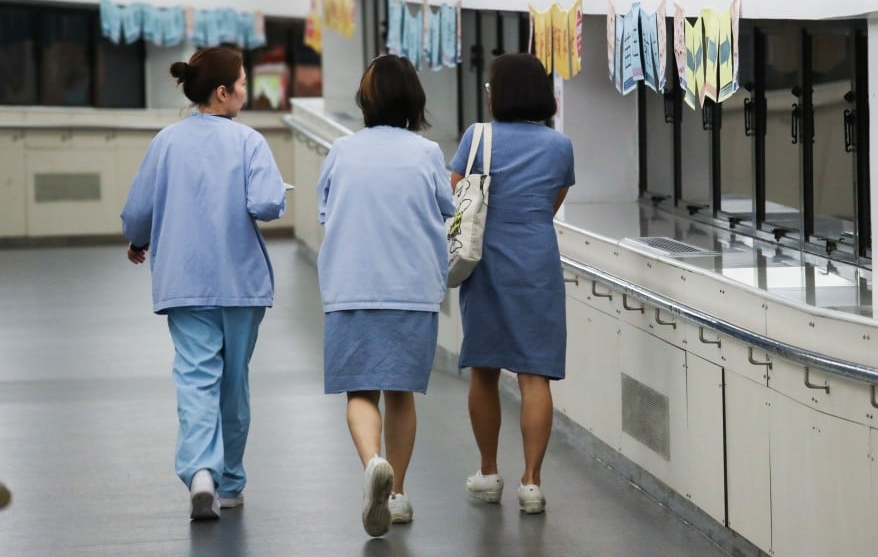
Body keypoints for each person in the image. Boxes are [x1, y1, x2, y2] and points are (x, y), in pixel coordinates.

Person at [121, 47, 287, 521]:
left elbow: (137, 211)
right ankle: (231, 483)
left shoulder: (166, 142)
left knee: (195, 379)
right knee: (234, 384)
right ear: (222, 92)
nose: (245, 90)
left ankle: (200, 474)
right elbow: (268, 204)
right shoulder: (250, 142)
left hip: (184, 282)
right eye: (241, 82)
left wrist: (138, 239)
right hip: (240, 284)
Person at [316, 54, 454, 538]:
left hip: (350, 287)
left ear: (366, 101)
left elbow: (325, 210)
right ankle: (396, 495)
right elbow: (447, 210)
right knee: (400, 392)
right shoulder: (427, 153)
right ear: (414, 100)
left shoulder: (341, 151)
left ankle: (374, 462)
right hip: (411, 289)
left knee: (360, 391)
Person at [451, 53, 575, 515]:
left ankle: (487, 472)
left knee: (484, 368)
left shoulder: (476, 137)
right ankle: (532, 482)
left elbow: (457, 196)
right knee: (534, 373)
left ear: (497, 93)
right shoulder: (559, 146)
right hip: (537, 265)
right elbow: (552, 203)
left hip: (485, 264)